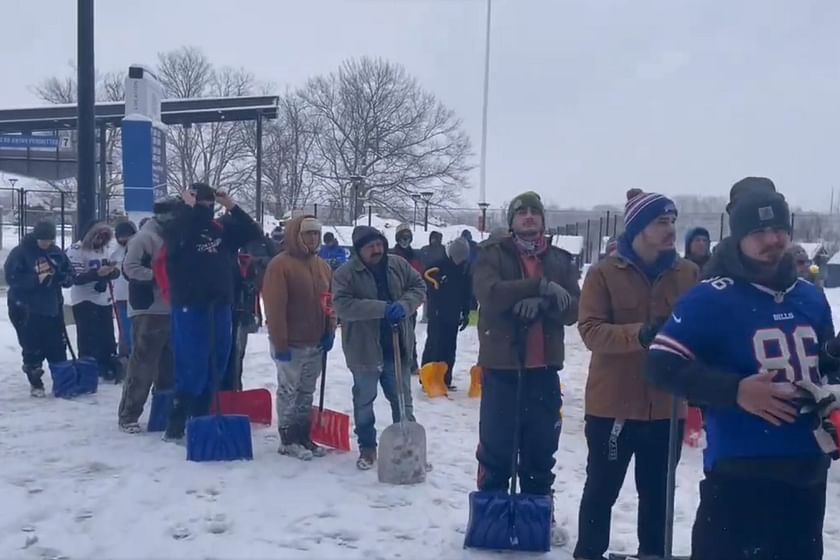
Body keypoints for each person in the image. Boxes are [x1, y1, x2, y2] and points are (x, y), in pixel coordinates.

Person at [646, 179, 838, 560]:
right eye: (759, 232)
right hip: (741, 475)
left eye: (779, 229)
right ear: (739, 237)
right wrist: (735, 391)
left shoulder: (811, 297)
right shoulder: (712, 296)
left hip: (806, 474)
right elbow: (661, 364)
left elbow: (822, 371)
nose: (773, 239)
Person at [574, 189, 698, 560]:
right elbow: (590, 331)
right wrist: (640, 334)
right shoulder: (604, 274)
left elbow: (702, 329)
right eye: (661, 221)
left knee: (659, 498)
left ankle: (653, 555)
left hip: (666, 406)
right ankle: (589, 554)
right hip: (614, 405)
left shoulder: (688, 273)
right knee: (600, 491)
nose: (670, 229)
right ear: (639, 226)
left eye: (673, 221)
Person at [472, 191, 580, 543]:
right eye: (523, 213)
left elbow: (572, 310)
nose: (529, 217)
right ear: (512, 220)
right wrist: (537, 285)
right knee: (496, 445)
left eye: (535, 212)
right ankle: (493, 515)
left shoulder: (561, 260)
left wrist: (542, 301)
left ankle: (539, 514)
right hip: (502, 367)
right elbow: (490, 295)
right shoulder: (492, 255)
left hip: (543, 368)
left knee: (540, 446)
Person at [161, 183, 263, 442]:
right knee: (191, 364)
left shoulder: (221, 229)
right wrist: (187, 207)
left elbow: (254, 232)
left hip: (220, 303)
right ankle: (176, 421)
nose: (206, 208)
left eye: (209, 203)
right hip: (190, 304)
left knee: (218, 361)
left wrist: (232, 206)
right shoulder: (178, 227)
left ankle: (202, 415)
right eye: (202, 202)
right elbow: (181, 235)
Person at [333, 225, 426, 470]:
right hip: (364, 350)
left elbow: (418, 287)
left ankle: (408, 447)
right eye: (370, 246)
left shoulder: (398, 264)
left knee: (403, 401)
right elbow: (343, 306)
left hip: (397, 346)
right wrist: (382, 309)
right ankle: (367, 447)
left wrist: (405, 306)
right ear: (359, 250)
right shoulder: (346, 274)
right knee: (364, 401)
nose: (377, 250)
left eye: (379, 244)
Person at [263, 215, 335, 460]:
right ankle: (288, 438)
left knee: (306, 391)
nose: (313, 238)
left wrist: (330, 330)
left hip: (315, 341)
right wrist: (280, 341)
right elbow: (275, 307)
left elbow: (330, 303)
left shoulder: (323, 266)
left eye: (316, 233)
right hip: (290, 342)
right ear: (296, 236)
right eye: (308, 234)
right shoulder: (280, 265)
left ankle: (304, 435)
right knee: (288, 390)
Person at [117, 200, 177, 433]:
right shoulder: (144, 238)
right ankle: (129, 414)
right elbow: (129, 267)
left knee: (168, 367)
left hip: (171, 307)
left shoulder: (174, 236)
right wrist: (159, 276)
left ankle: (161, 412)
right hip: (148, 308)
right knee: (143, 365)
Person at [4, 220, 74, 397]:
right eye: (42, 240)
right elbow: (12, 278)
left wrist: (62, 278)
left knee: (57, 346)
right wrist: (36, 280)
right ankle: (35, 382)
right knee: (31, 347)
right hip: (26, 308)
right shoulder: (20, 253)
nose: (46, 244)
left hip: (52, 307)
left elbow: (69, 272)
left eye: (49, 240)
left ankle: (62, 382)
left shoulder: (56, 253)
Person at [67, 222, 122, 381]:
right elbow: (75, 278)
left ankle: (107, 365)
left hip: (104, 298)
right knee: (87, 336)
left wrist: (111, 273)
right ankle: (88, 366)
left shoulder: (105, 249)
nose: (100, 241)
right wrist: (96, 274)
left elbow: (115, 268)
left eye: (104, 238)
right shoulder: (76, 250)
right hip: (84, 298)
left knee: (107, 335)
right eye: (98, 237)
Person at [420, 237, 472, 389]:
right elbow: (426, 278)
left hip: (453, 315)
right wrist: (435, 285)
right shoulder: (439, 267)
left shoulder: (464, 270)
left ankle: (445, 379)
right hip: (437, 313)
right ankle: (428, 378)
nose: (460, 261)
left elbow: (466, 293)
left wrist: (466, 313)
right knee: (434, 345)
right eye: (458, 257)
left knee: (449, 347)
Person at [390, 223, 425, 376]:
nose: (405, 240)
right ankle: (391, 364)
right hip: (393, 299)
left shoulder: (414, 256)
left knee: (409, 333)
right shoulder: (391, 255)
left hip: (410, 301)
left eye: (408, 237)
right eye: (402, 237)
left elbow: (419, 276)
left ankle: (411, 363)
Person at [111, 220, 138, 361]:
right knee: (125, 329)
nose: (124, 240)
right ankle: (125, 355)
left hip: (136, 295)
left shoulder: (139, 248)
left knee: (136, 329)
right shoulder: (115, 253)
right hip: (121, 296)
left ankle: (135, 354)